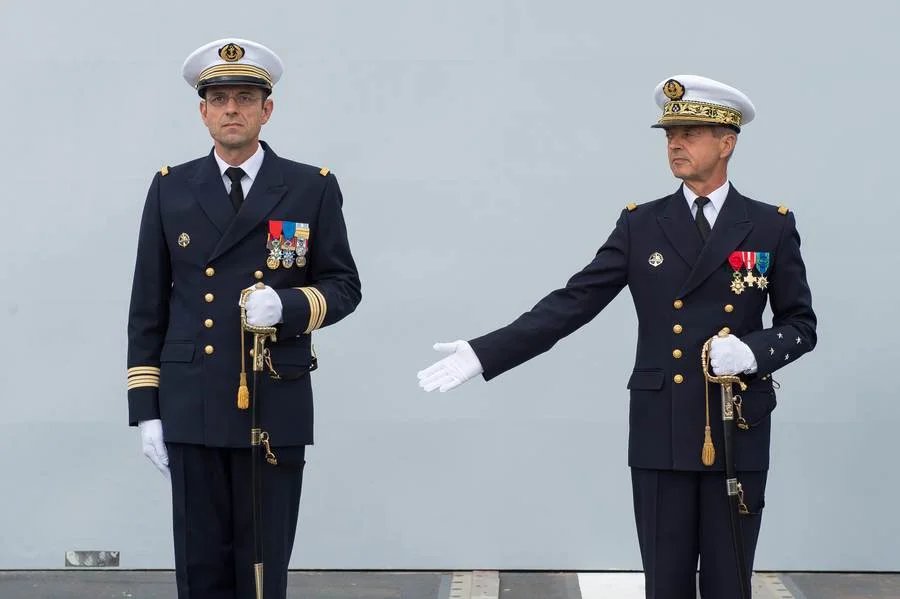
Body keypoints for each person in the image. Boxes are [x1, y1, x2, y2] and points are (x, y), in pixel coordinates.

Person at [417, 75, 816, 598]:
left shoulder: (769, 226)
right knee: (665, 582)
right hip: (661, 427)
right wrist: (483, 352)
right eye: (669, 132)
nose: (674, 143)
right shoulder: (642, 225)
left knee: (729, 582)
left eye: (690, 132)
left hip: (734, 422)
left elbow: (801, 325)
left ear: (727, 142)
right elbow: (573, 302)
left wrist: (753, 352)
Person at [127, 38, 361, 599]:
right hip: (192, 402)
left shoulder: (311, 187)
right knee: (200, 568)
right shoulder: (171, 188)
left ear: (267, 109)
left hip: (270, 400)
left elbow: (344, 285)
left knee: (260, 570)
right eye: (220, 98)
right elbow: (147, 307)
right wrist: (147, 412)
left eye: (245, 97)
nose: (232, 108)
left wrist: (289, 305)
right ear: (203, 111)